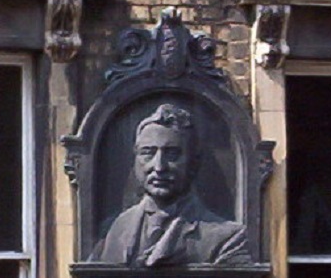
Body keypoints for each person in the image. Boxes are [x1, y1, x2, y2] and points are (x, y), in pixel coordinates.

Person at [90, 103, 249, 266]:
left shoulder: (226, 238)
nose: (159, 167)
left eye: (172, 154)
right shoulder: (112, 230)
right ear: (135, 160)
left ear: (194, 163)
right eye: (148, 153)